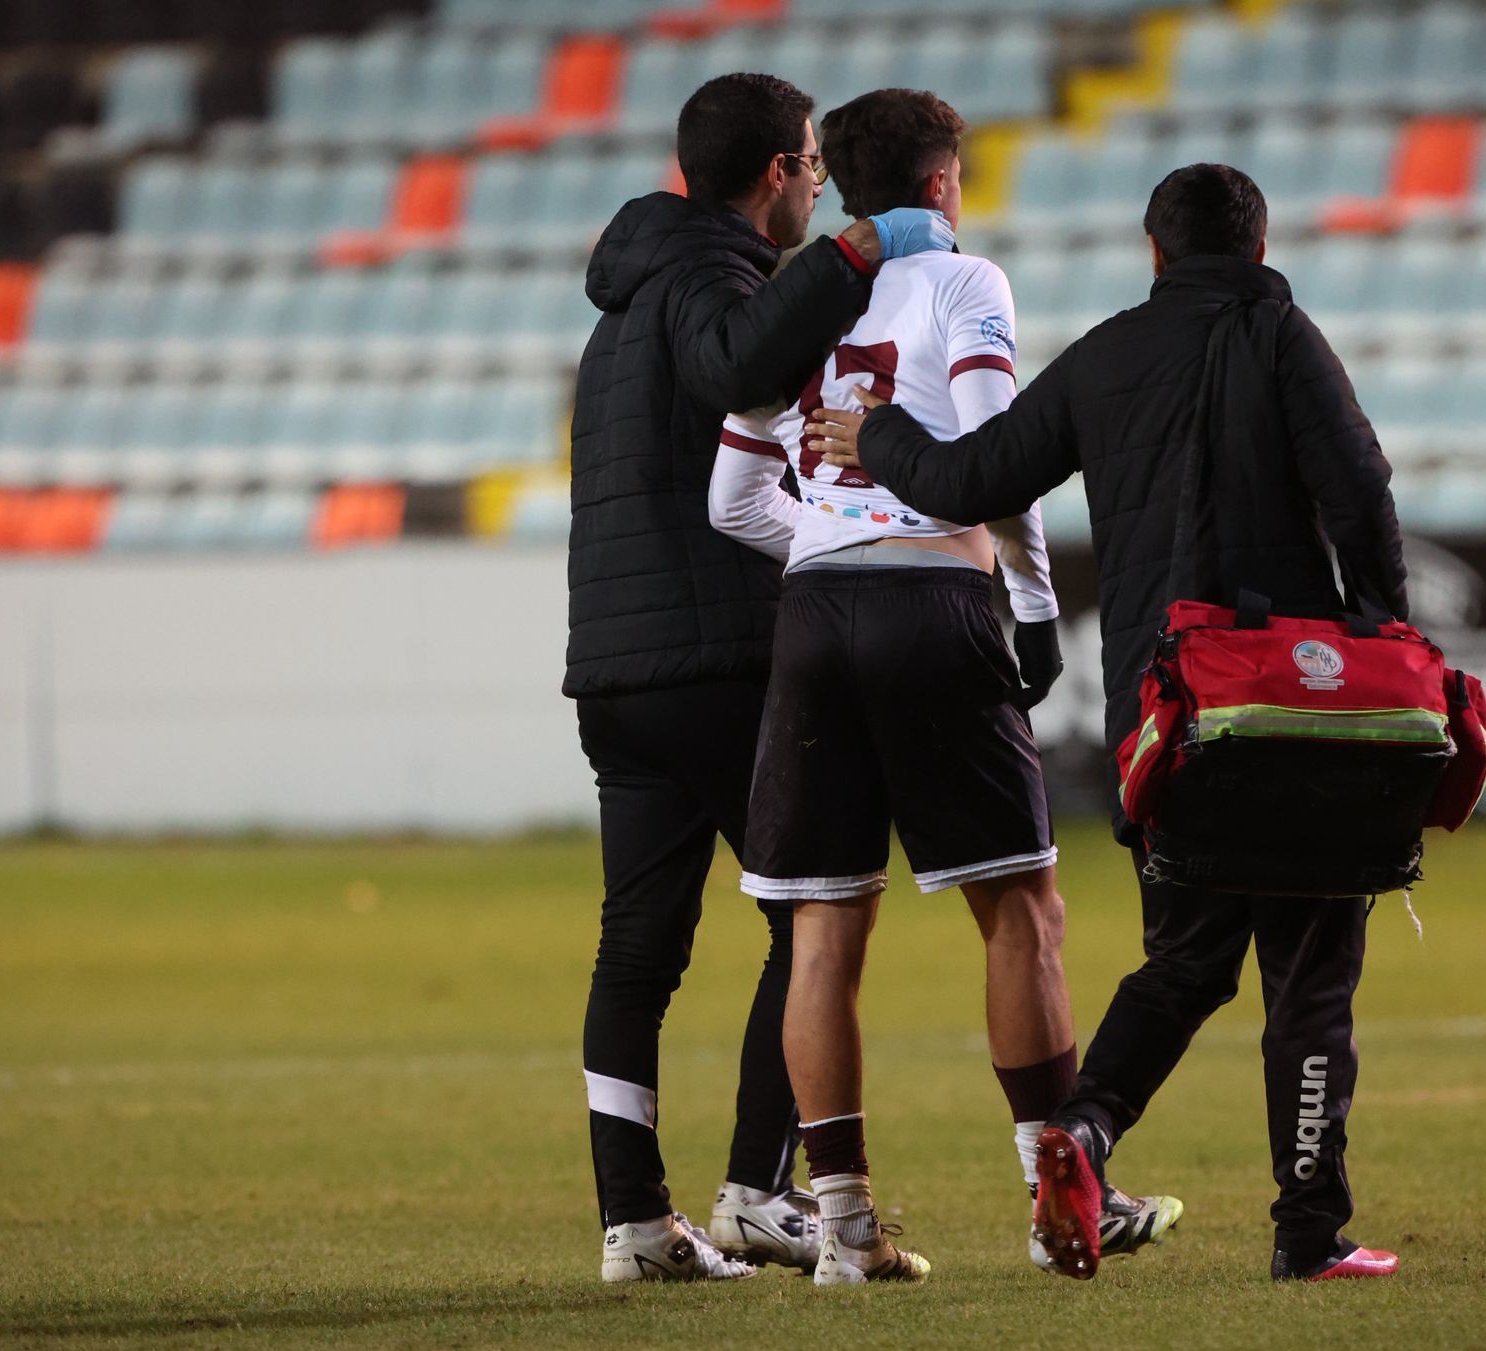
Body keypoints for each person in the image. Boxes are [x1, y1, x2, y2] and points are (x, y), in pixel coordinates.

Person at [807, 163, 1410, 1282]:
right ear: (1259, 248)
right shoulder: (1284, 339)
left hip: (1166, 712)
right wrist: (1381, 634)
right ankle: (1306, 1231)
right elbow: (1360, 489)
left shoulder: (1106, 354)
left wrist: (878, 436)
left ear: (1154, 254)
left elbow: (978, 476)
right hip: (1289, 702)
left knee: (1182, 961)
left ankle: (1078, 1136)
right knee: (1309, 973)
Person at [707, 88, 1179, 1287]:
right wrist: (1032, 606)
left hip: (813, 616)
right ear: (937, 185)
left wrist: (832, 541)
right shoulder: (965, 282)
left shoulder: (797, 301)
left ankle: (843, 1228)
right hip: (934, 604)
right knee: (1021, 911)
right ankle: (1056, 1196)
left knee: (822, 930)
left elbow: (730, 500)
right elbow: (993, 459)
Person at [568, 71, 954, 1284]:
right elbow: (736, 362)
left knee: (637, 951)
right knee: (817, 911)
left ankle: (636, 1222)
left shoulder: (629, 292)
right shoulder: (706, 274)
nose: (823, 190)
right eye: (813, 169)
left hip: (617, 668)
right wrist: (856, 254)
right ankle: (756, 1189)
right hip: (716, 657)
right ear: (779, 172)